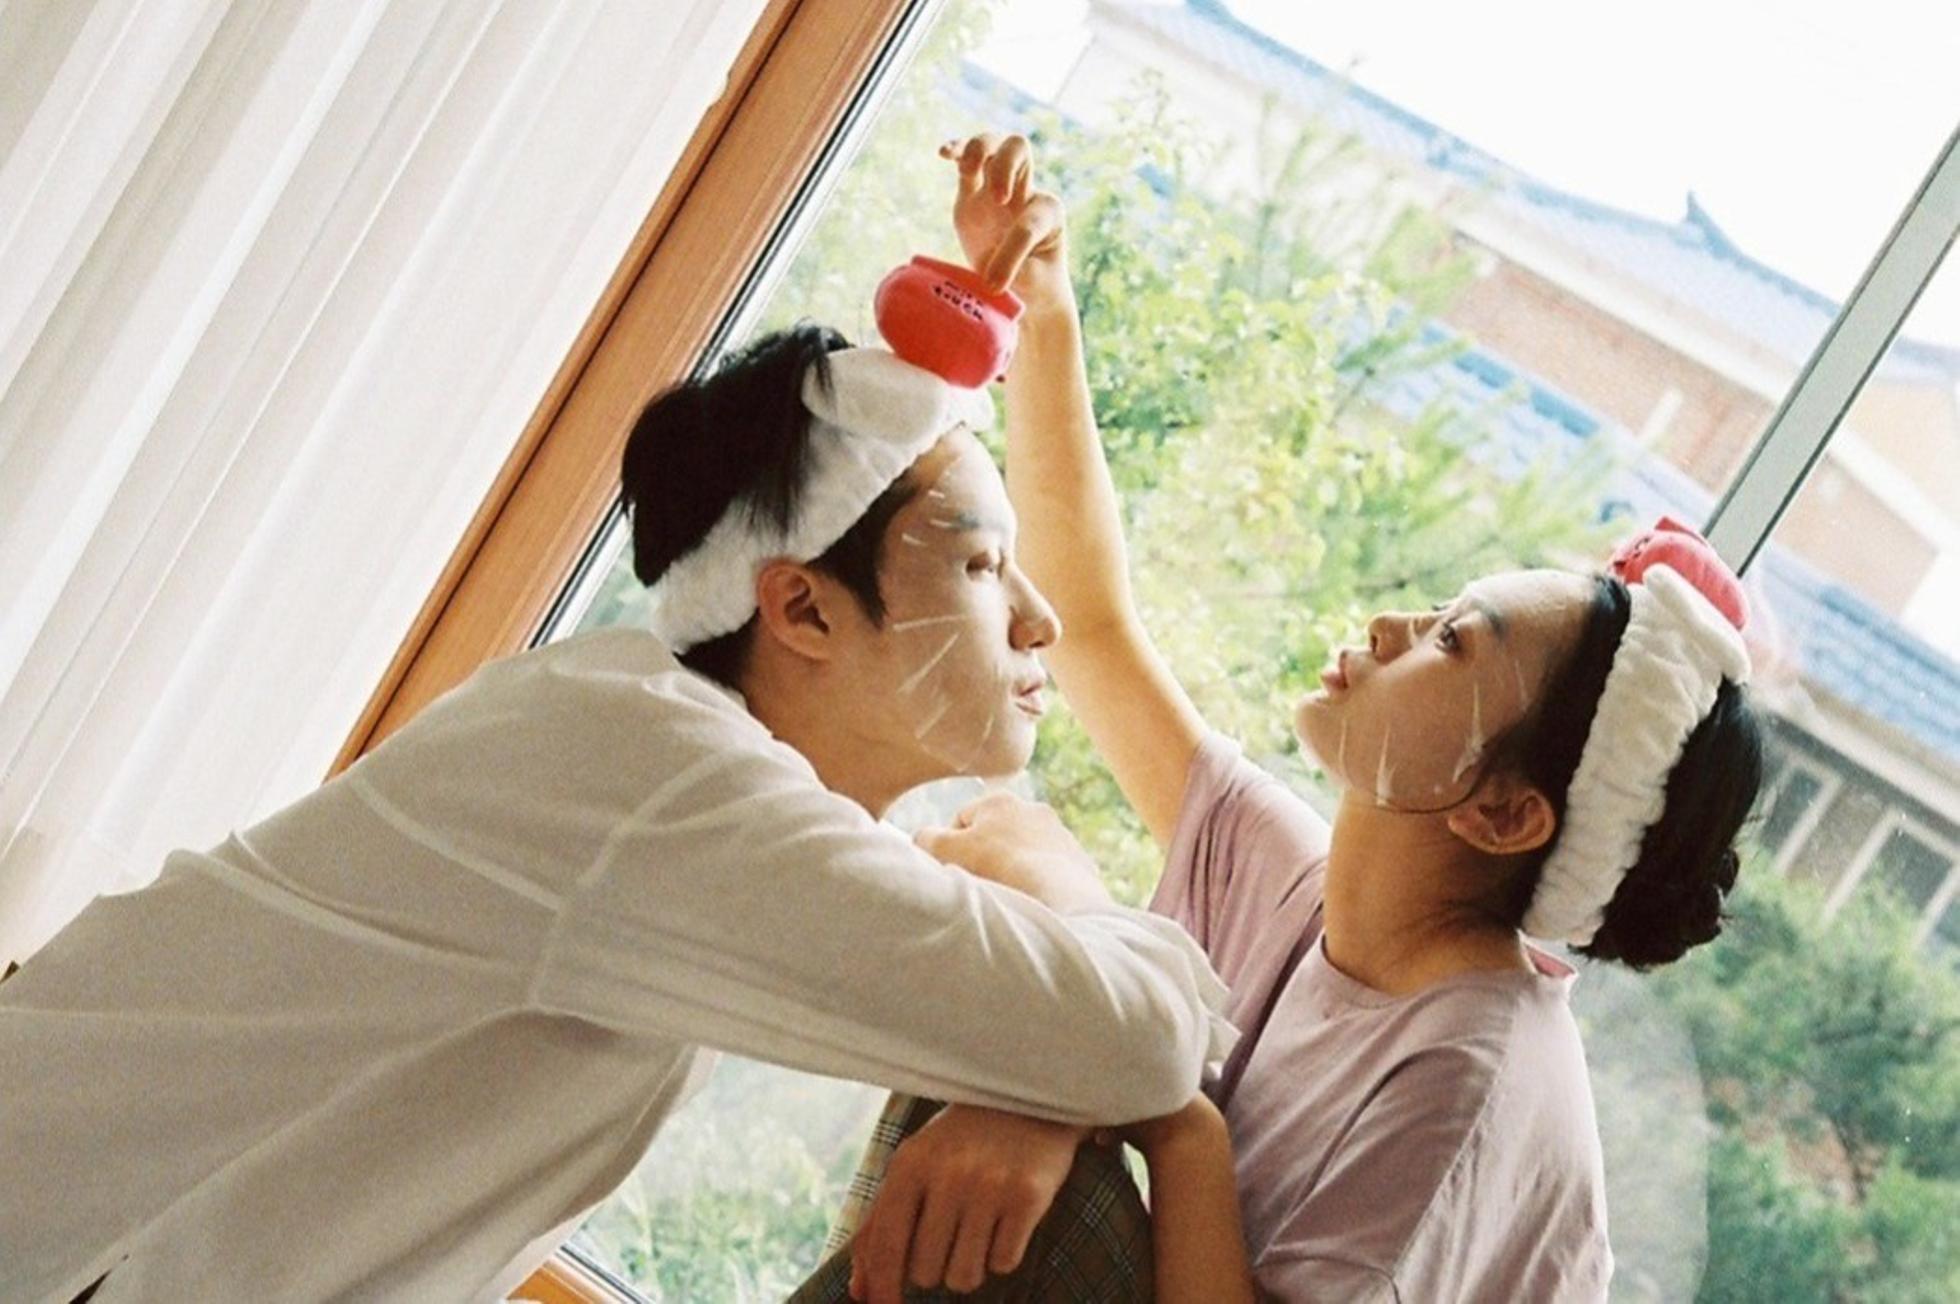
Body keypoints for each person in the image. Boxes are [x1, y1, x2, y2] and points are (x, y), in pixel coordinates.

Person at [0, 318, 1236, 1302]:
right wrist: (1056, 877)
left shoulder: (647, 741)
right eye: (978, 565)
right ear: (801, 609)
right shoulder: (667, 789)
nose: (1038, 618)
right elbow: (1140, 1043)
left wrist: (1023, 1077)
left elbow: (1094, 1039)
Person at [837, 134, 1764, 1303]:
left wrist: (1162, 1110)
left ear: (1502, 811)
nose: (1390, 626)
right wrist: (1047, 308)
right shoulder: (1304, 886)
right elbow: (1092, 626)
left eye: (1451, 641)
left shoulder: (1469, 1073)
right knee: (1037, 1004)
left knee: (1059, 1057)